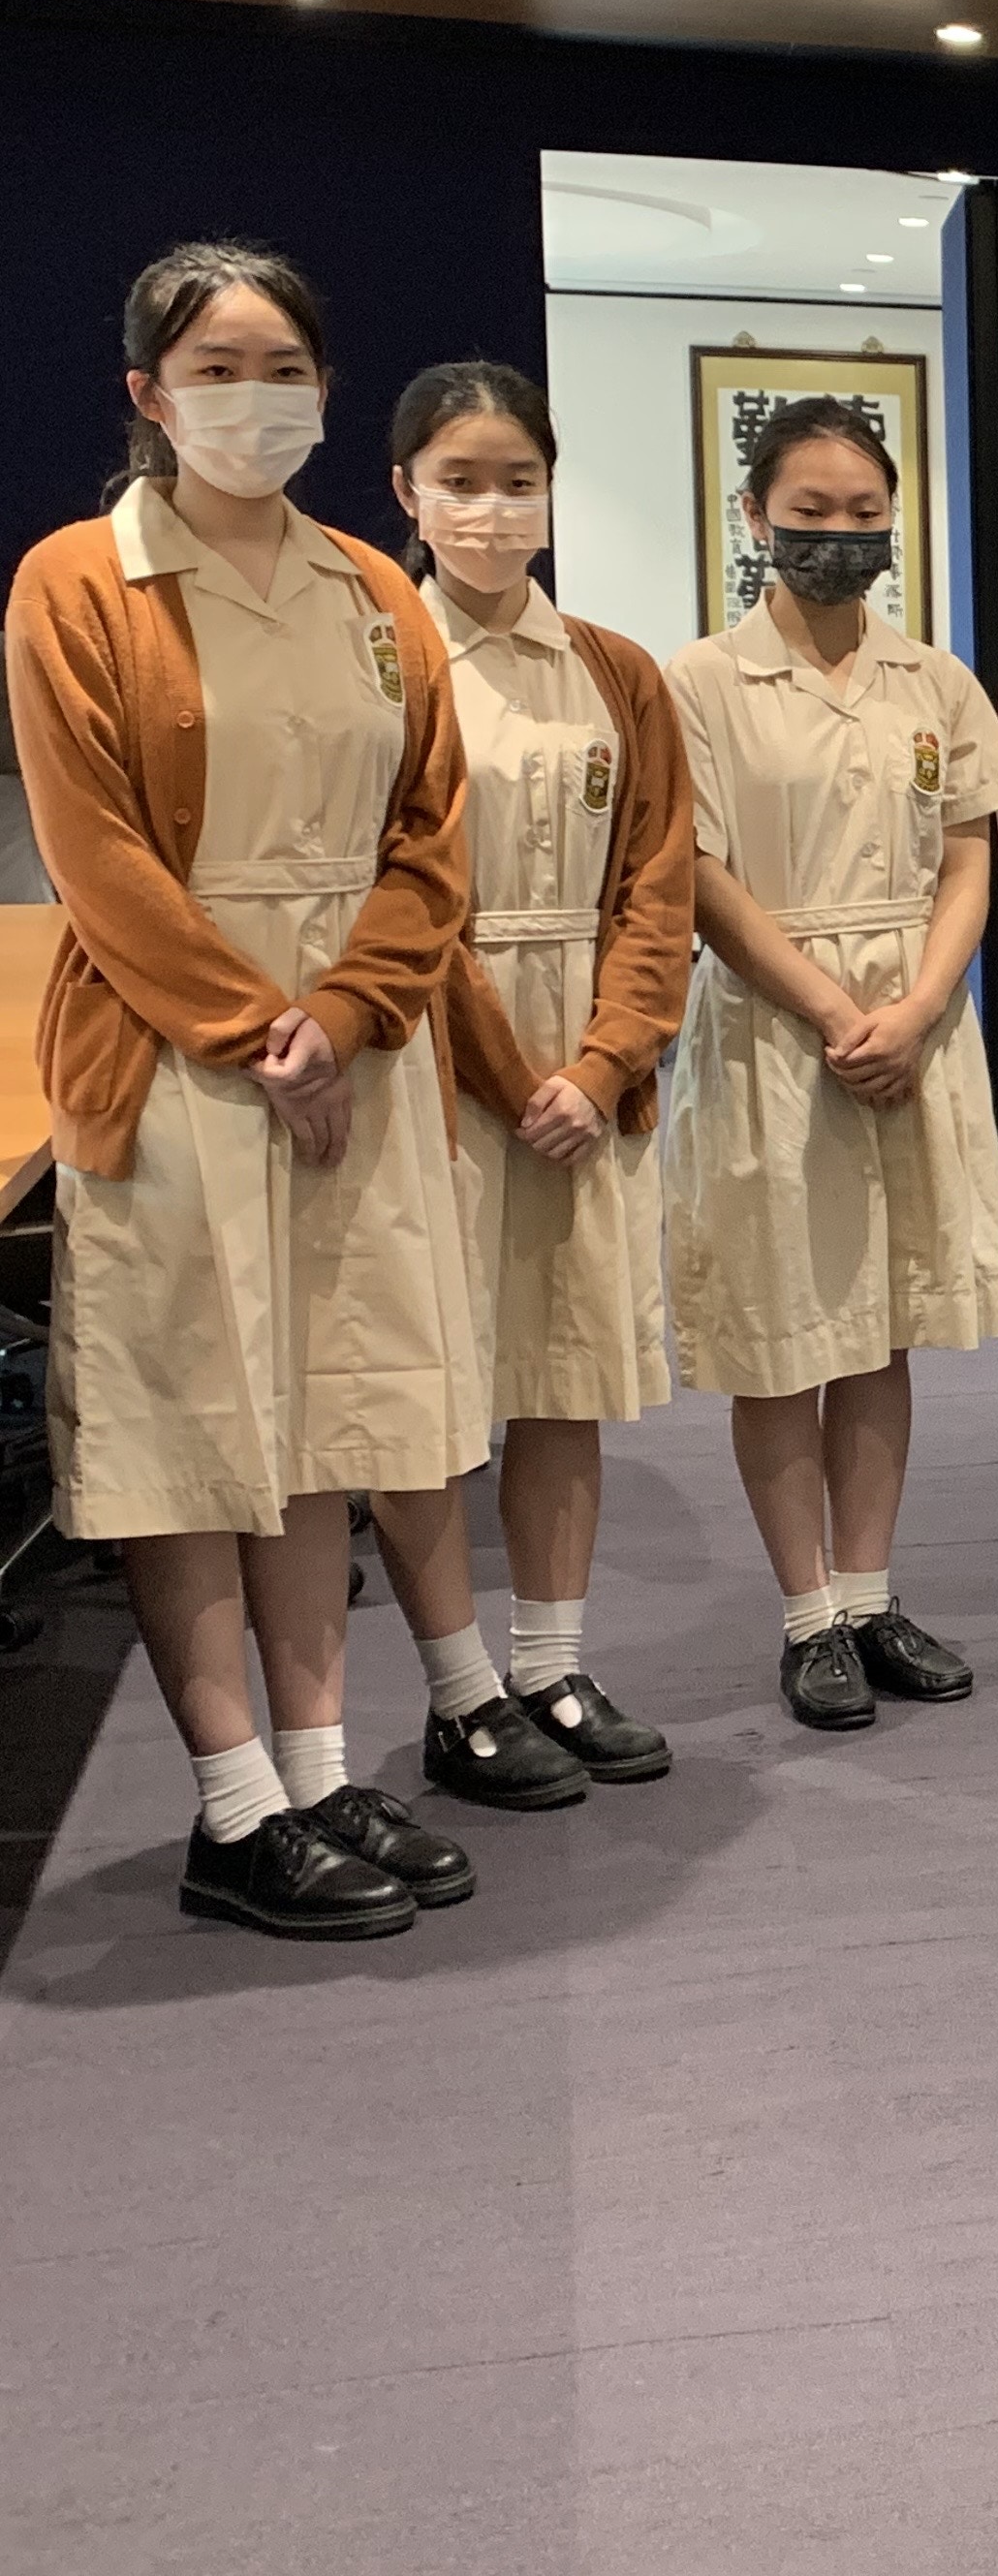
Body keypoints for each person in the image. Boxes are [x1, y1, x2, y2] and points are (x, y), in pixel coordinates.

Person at [5, 240, 485, 1935]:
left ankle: (322, 1768)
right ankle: (232, 1807)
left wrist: (344, 1015)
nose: (253, 398)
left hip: (357, 1054)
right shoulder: (80, 582)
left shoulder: (374, 590)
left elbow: (432, 833)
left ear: (327, 391)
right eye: (214, 369)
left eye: (282, 368)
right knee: (195, 1427)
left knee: (324, 1420)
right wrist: (253, 1028)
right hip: (170, 1054)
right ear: (147, 394)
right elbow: (94, 850)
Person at [664, 395, 998, 1730]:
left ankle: (870, 1597)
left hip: (914, 1030)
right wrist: (831, 1008)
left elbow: (972, 852)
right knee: (782, 1333)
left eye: (864, 512)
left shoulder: (935, 680)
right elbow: (700, 873)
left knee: (881, 1325)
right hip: (774, 1032)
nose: (839, 533)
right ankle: (807, 1615)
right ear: (754, 517)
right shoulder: (700, 681)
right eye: (809, 511)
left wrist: (923, 1004)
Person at [359, 361, 695, 1797]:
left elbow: (658, 888)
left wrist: (606, 1063)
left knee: (564, 1378)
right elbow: (389, 890)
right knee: (427, 1393)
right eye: (461, 482)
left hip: (588, 1073)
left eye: (518, 481)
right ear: (406, 492)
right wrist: (514, 1077)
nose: (492, 509)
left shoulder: (617, 671)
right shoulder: (376, 661)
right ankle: (460, 1691)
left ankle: (551, 1664)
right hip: (433, 1067)